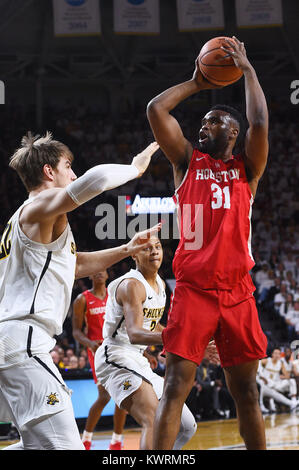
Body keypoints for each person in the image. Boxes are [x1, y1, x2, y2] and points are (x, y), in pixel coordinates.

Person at [0, 131, 160, 450]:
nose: (72, 173)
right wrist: (135, 167)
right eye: (67, 165)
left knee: (35, 445)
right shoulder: (41, 204)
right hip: (25, 344)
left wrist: (127, 248)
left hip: (14, 342)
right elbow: (95, 179)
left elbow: (73, 266)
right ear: (49, 171)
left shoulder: (27, 221)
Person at [147, 36, 269, 450]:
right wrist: (199, 82)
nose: (203, 126)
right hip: (195, 291)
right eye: (202, 122)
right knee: (175, 386)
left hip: (237, 292)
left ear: (233, 132)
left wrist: (248, 71)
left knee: (246, 392)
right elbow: (156, 109)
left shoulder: (246, 169)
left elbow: (261, 124)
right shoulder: (185, 161)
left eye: (213, 122)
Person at [94, 236, 200, 450]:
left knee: (187, 426)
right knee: (152, 419)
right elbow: (135, 333)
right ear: (134, 254)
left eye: (158, 247)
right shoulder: (131, 285)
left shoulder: (160, 284)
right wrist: (177, 339)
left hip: (137, 359)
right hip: (115, 356)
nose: (154, 252)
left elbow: (153, 326)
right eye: (146, 248)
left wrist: (188, 340)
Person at [72, 270, 127, 450]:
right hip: (97, 352)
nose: (99, 273)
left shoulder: (115, 296)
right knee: (104, 396)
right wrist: (89, 343)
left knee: (123, 396)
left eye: (102, 270)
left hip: (118, 348)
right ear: (90, 276)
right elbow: (76, 331)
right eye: (95, 271)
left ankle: (116, 441)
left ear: (107, 274)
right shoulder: (82, 299)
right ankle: (86, 439)